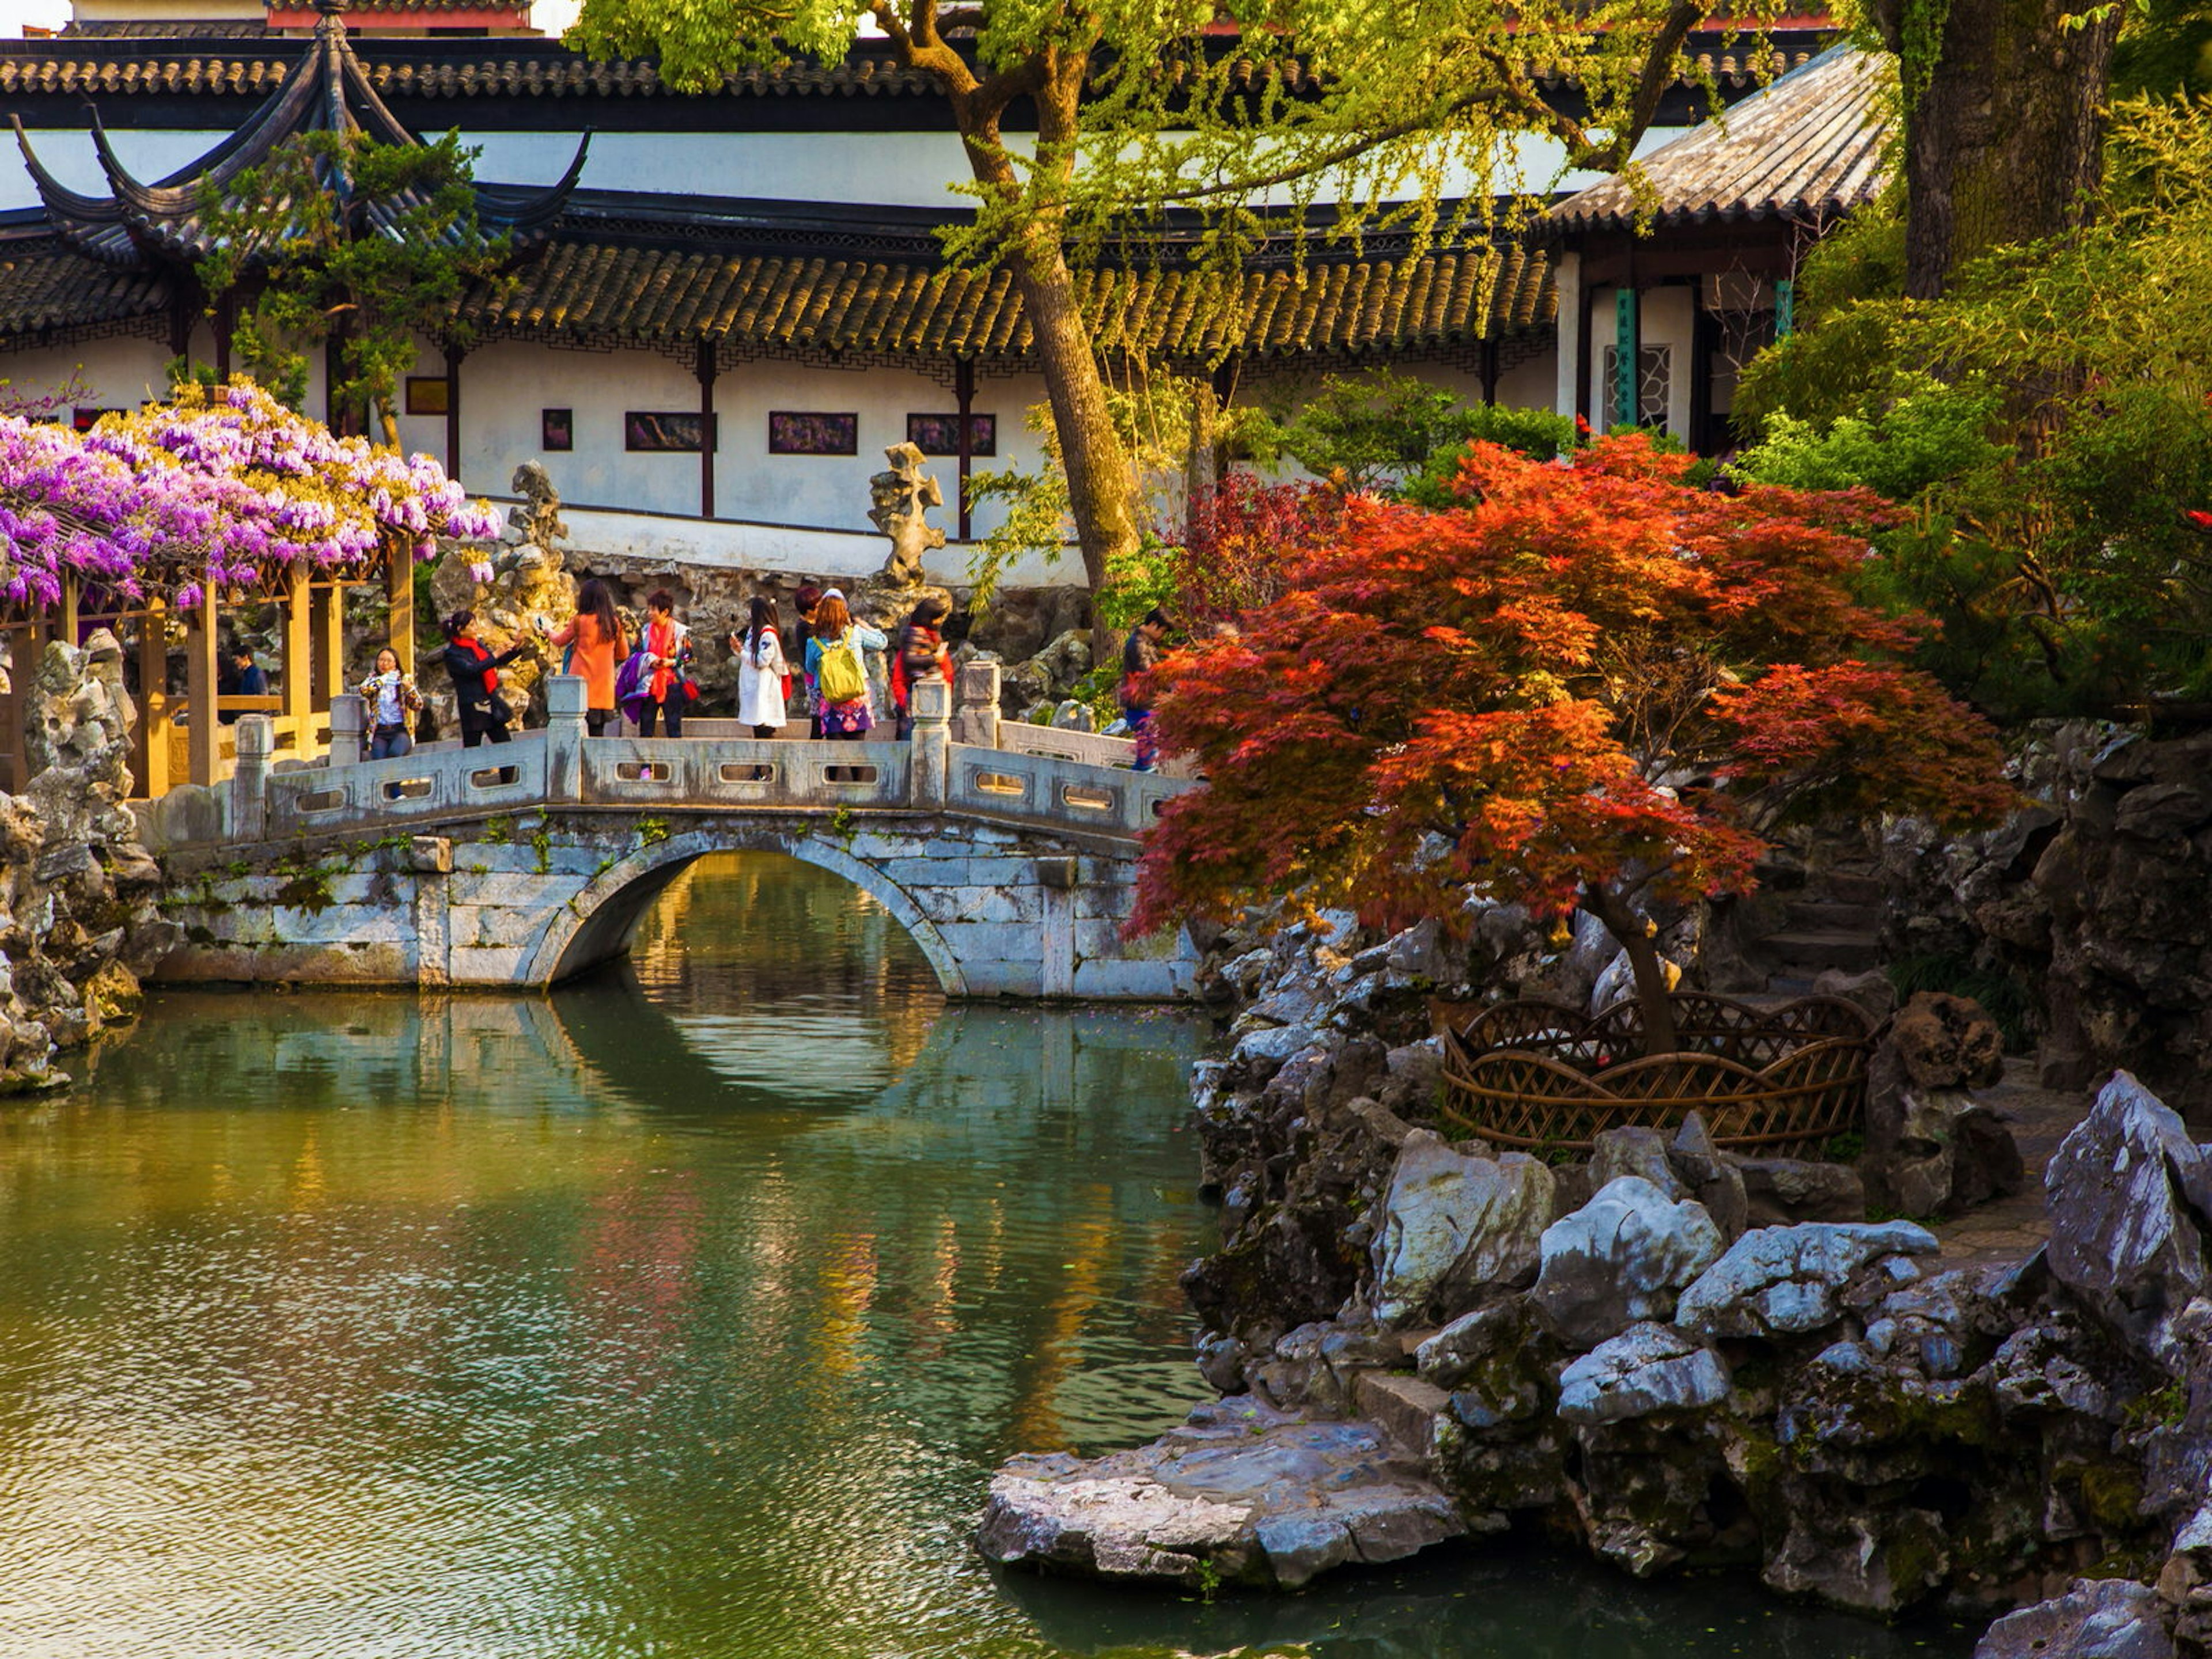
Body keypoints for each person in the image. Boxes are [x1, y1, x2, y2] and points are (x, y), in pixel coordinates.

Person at [541, 578, 626, 736]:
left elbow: (560, 641)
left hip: (579, 686)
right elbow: (624, 654)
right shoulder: (614, 623)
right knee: (597, 733)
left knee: (574, 734)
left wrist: (549, 632)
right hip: (603, 688)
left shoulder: (580, 621)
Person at [804, 589, 886, 741]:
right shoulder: (855, 633)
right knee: (858, 752)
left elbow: (810, 668)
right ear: (844, 612)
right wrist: (864, 624)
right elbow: (881, 642)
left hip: (831, 699)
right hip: (857, 697)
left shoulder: (814, 642)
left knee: (835, 756)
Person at [440, 609, 528, 748]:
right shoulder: (453, 653)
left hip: (489, 700)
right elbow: (472, 670)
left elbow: (493, 662)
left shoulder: (477, 645)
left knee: (505, 745)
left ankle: (508, 770)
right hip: (472, 707)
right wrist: (495, 655)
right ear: (460, 630)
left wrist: (515, 650)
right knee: (472, 747)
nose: (476, 629)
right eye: (472, 625)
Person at [633, 589, 695, 738]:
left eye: (653, 609)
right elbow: (635, 654)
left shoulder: (680, 632)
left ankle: (676, 762)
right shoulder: (644, 632)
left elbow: (689, 656)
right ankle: (646, 762)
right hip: (648, 683)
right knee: (646, 727)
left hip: (672, 683)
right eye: (649, 609)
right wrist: (650, 662)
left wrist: (671, 662)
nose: (649, 613)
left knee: (674, 727)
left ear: (665, 612)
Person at [891, 593, 951, 740]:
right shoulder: (915, 634)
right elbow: (908, 661)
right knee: (914, 739)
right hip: (918, 697)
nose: (939, 622)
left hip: (934, 696)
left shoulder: (930, 635)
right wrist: (934, 658)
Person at [730, 594, 789, 738]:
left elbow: (762, 661)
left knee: (764, 723)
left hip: (764, 685)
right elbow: (749, 654)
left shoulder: (768, 635)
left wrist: (741, 652)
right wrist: (739, 649)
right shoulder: (753, 631)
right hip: (753, 684)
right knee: (757, 724)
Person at [1121, 606, 1170, 773]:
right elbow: (1149, 674)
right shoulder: (1138, 645)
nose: (1162, 636)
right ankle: (1134, 794)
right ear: (1154, 625)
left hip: (1145, 705)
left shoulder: (1145, 643)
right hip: (1141, 705)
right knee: (1147, 758)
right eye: (1162, 631)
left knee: (1148, 755)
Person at [355, 645, 422, 760]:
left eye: (389, 661)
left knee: (395, 753)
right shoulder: (374, 679)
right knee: (379, 758)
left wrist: (410, 689)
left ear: (396, 663)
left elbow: (418, 705)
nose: (384, 664)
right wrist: (384, 679)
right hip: (380, 731)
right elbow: (364, 690)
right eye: (381, 660)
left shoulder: (403, 680)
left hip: (399, 730)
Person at [790, 582, 824, 740]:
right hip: (814, 674)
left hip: (818, 673)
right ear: (810, 610)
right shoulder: (805, 628)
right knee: (818, 715)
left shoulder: (810, 624)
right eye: (819, 606)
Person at [217, 642, 266, 723]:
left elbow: (263, 696)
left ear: (245, 658)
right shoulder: (246, 674)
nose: (236, 662)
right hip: (246, 716)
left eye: (237, 659)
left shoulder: (256, 674)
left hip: (254, 718)